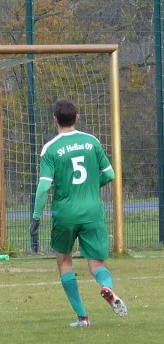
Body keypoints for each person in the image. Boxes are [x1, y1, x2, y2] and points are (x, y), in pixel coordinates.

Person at [30, 98, 127, 328]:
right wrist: (92, 187)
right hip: (92, 211)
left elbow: (44, 187)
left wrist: (35, 218)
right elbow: (110, 175)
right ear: (77, 118)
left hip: (65, 213)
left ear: (55, 119)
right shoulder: (91, 142)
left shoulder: (51, 148)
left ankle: (83, 317)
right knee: (97, 264)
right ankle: (106, 287)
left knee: (64, 261)